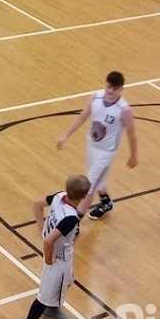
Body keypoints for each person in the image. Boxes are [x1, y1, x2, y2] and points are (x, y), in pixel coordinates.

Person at [12, 174, 93, 319]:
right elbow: (48, 241)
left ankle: (52, 308)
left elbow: (37, 204)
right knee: (44, 296)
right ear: (83, 196)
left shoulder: (58, 196)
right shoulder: (70, 218)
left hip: (63, 255)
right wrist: (49, 260)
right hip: (58, 258)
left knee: (69, 280)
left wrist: (42, 228)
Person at [55, 71, 138, 220]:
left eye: (115, 88)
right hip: (92, 146)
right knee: (97, 181)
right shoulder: (95, 97)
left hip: (106, 152)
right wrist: (65, 136)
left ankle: (74, 223)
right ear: (105, 84)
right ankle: (106, 201)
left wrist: (133, 156)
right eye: (109, 87)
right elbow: (82, 117)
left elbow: (131, 133)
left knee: (88, 187)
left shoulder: (124, 109)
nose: (111, 91)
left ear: (121, 90)